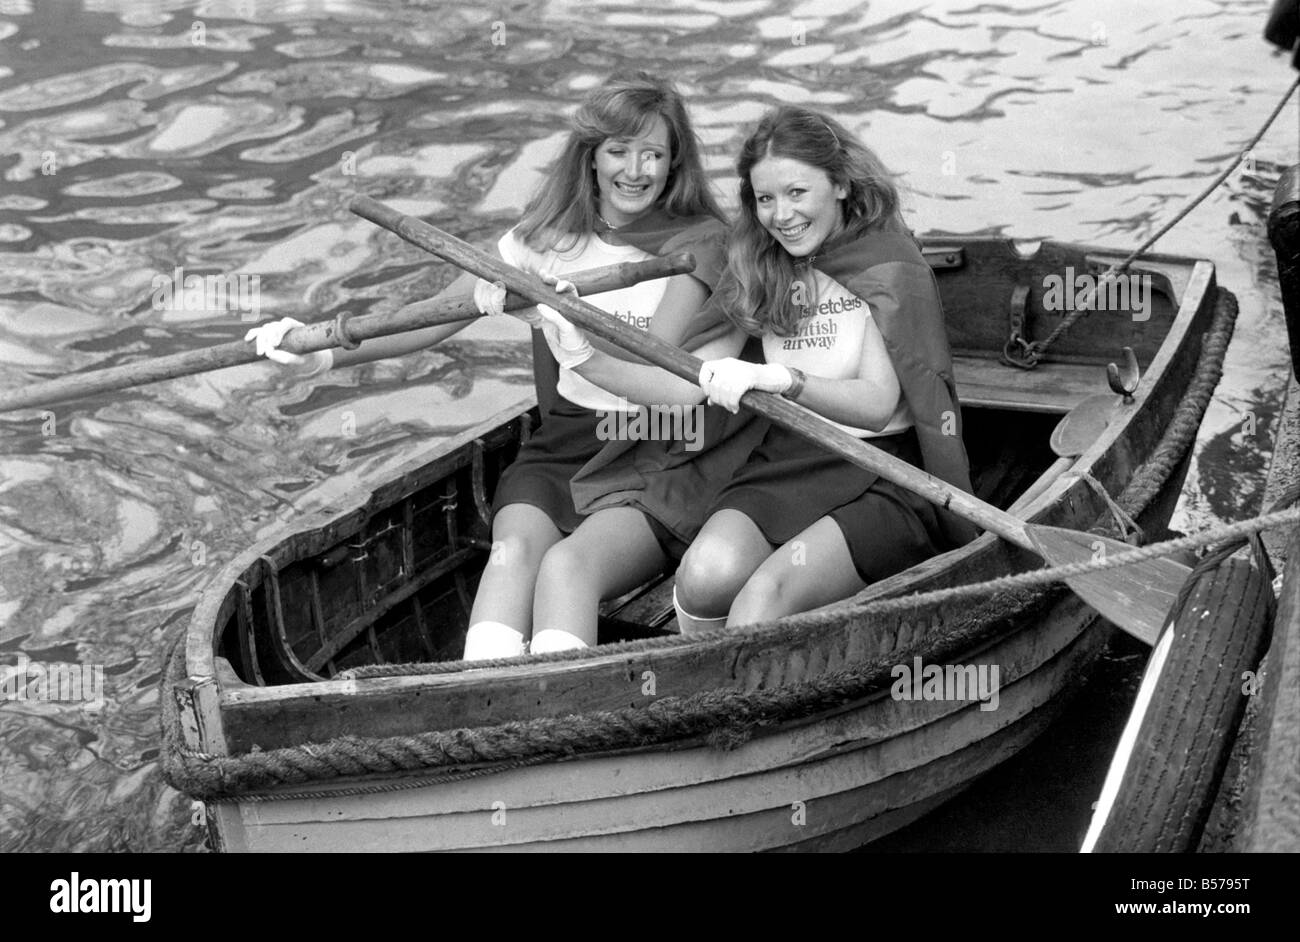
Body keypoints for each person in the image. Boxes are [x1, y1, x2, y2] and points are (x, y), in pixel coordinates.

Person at [243, 71, 729, 659]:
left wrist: (557, 319)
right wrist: (313, 343)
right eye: (618, 151)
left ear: (675, 164)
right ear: (591, 157)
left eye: (653, 154)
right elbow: (430, 317)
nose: (635, 170)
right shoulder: (545, 240)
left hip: (663, 441)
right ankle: (480, 701)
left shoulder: (701, 244)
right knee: (512, 554)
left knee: (567, 567)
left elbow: (655, 354)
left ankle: (560, 719)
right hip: (569, 440)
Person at [533, 105, 977, 637]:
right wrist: (584, 356)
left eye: (796, 193)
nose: (781, 215)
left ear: (838, 184)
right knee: (702, 577)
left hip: (881, 467)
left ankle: (791, 650)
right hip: (790, 459)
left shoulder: (888, 265)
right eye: (765, 199)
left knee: (760, 604)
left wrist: (784, 380)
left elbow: (878, 406)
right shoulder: (760, 263)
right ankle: (722, 691)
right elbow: (680, 388)